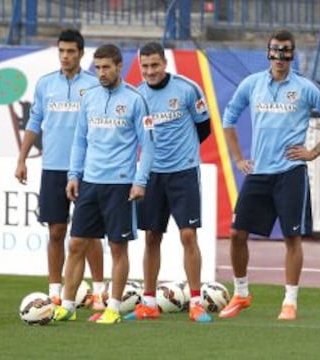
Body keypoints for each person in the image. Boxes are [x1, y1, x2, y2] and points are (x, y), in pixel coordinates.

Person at [219, 29, 320, 321]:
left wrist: (312, 152)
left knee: (291, 238)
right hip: (259, 172)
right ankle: (241, 293)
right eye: (275, 50)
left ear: (293, 55)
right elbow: (228, 117)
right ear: (267, 53)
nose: (280, 56)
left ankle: (289, 301)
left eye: (286, 51)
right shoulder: (252, 84)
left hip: (291, 172)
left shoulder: (306, 88)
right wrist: (237, 158)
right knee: (236, 234)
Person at [53, 44, 154, 324]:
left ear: (120, 66)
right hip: (90, 182)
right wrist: (74, 175)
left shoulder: (135, 99)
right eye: (97, 68)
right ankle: (68, 305)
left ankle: (113, 308)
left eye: (106, 67)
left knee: (118, 247)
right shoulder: (89, 98)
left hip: (120, 185)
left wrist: (140, 181)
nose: (101, 73)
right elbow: (80, 140)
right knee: (76, 245)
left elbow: (148, 145)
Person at [15, 28, 105, 310]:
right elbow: (34, 123)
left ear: (81, 53)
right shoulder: (45, 84)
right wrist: (21, 159)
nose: (65, 56)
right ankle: (54, 291)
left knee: (88, 234)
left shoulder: (94, 85)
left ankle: (100, 291)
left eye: (70, 52)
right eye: (61, 51)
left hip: (86, 169)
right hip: (52, 167)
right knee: (55, 231)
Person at [124, 42, 212, 323]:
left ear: (164, 64)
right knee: (152, 236)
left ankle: (196, 302)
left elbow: (204, 127)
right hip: (151, 175)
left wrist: (184, 152)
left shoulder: (188, 88)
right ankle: (149, 302)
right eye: (145, 66)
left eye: (155, 65)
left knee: (188, 235)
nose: (150, 71)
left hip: (184, 172)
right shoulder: (137, 95)